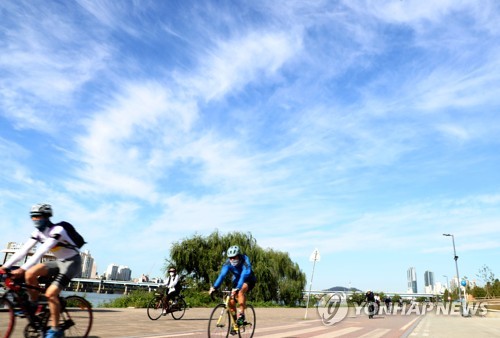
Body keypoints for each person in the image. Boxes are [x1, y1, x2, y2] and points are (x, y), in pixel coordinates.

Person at [0, 203, 82, 338]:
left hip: (72, 262)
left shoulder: (58, 230)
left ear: (46, 217)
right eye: (33, 217)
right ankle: (35, 305)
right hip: (59, 261)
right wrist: (5, 267)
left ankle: (56, 330)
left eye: (38, 216)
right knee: (30, 273)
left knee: (51, 294)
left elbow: (41, 252)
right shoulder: (37, 233)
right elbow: (23, 251)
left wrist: (21, 268)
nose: (35, 220)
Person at [209, 245, 257, 326]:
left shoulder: (245, 260)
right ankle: (235, 323)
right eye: (230, 257)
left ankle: (241, 315)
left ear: (238, 255)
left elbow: (244, 274)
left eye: (234, 257)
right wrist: (214, 287)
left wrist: (238, 288)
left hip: (248, 279)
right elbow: (222, 275)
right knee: (231, 301)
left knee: (240, 291)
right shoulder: (228, 263)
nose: (232, 259)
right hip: (237, 280)